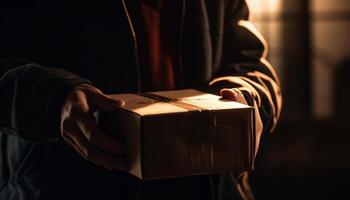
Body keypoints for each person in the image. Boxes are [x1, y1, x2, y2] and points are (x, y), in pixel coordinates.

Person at [0, 0, 282, 199]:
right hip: (64, 183)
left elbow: (249, 65)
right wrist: (54, 98)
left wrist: (245, 98)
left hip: (204, 187)